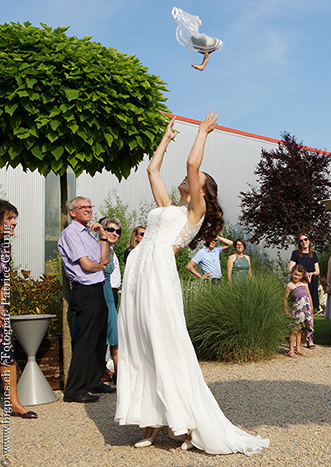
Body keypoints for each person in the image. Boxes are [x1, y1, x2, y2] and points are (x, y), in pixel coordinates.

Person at [115, 112, 268, 455]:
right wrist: (165, 139)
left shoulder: (194, 212)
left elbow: (191, 162)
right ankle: (150, 422)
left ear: (201, 188)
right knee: (139, 341)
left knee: (163, 340)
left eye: (194, 177)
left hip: (158, 270)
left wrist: (202, 132)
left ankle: (185, 425)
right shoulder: (168, 207)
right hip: (139, 268)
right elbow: (151, 170)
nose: (187, 178)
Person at [58, 196, 113, 402]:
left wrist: (103, 236)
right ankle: (74, 389)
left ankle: (93, 381)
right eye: (83, 208)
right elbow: (88, 266)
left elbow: (105, 260)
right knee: (86, 339)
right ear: (72, 212)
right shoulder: (71, 234)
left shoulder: (90, 234)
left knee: (99, 337)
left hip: (97, 288)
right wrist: (99, 265)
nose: (88, 210)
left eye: (90, 207)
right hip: (85, 290)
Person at [0, 200, 37, 419]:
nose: (14, 223)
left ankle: (14, 404)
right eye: (9, 218)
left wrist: (3, 308)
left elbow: (3, 279)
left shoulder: (5, 245)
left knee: (7, 354)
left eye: (15, 218)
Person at [99, 217, 122, 383]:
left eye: (117, 231)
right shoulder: (99, 246)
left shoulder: (112, 250)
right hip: (102, 292)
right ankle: (106, 372)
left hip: (112, 293)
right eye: (110, 230)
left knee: (113, 336)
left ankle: (117, 374)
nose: (114, 233)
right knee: (108, 336)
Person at [288, 233, 319, 349]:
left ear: (309, 241)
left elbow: (318, 271)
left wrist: (311, 273)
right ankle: (296, 340)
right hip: (298, 285)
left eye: (306, 239)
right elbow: (290, 269)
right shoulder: (295, 254)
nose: (304, 242)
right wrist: (301, 275)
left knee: (310, 312)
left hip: (310, 284)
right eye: (301, 240)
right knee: (297, 313)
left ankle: (310, 339)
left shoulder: (313, 255)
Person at [284, 265, 313, 357]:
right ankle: (291, 349)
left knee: (300, 330)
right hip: (295, 311)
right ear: (292, 273)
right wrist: (286, 310)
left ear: (302, 276)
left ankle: (298, 349)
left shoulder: (304, 284)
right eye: (295, 274)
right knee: (294, 330)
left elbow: (309, 296)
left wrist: (311, 308)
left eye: (299, 275)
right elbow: (285, 299)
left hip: (305, 311)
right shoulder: (289, 286)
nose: (296, 277)